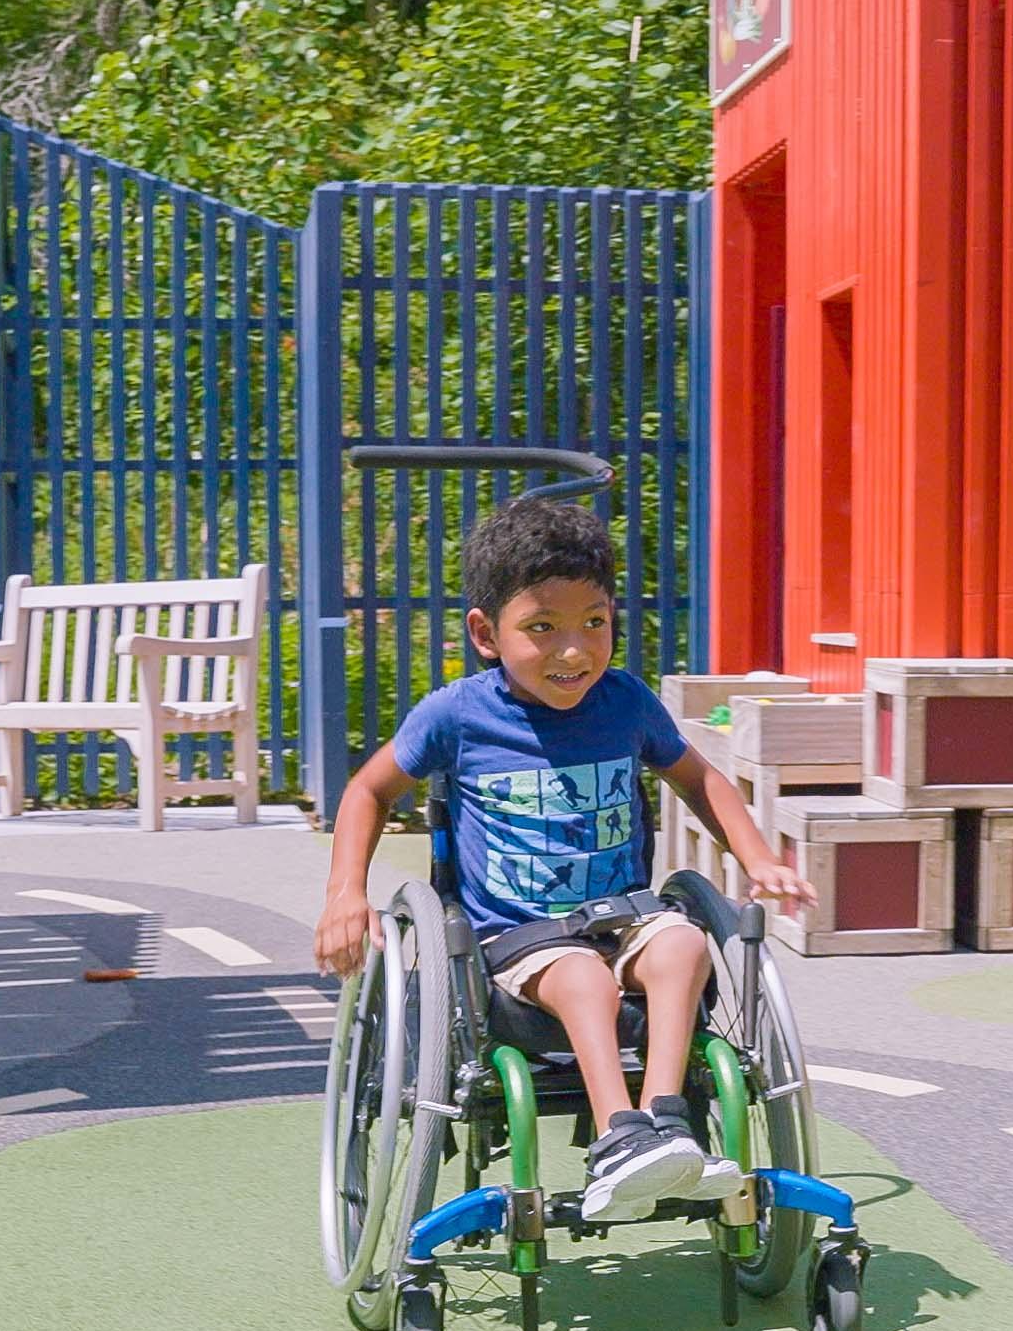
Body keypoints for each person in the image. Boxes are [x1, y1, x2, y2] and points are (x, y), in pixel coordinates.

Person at [313, 496, 816, 1223]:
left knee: (682, 941)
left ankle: (666, 1120)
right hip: (517, 947)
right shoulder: (459, 715)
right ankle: (618, 1139)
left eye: (594, 623)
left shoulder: (626, 703)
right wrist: (344, 894)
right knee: (581, 974)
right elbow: (368, 788)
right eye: (542, 628)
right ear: (487, 634)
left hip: (623, 923)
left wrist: (758, 856)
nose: (573, 650)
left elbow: (701, 778)